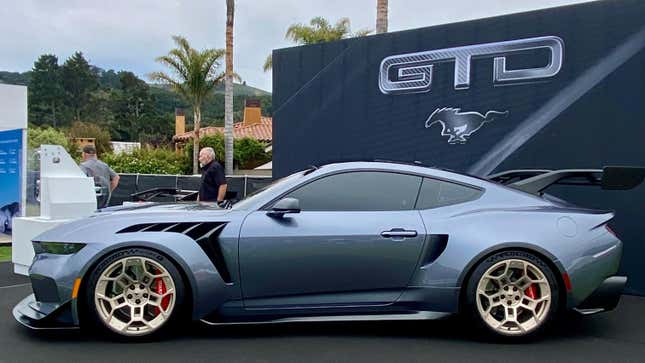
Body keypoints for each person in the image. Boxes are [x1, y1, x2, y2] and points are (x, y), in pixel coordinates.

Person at [79, 144, 120, 209]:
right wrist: (109, 191)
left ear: (84, 154)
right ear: (95, 154)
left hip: (90, 200)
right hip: (104, 199)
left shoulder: (83, 166)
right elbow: (116, 177)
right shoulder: (104, 165)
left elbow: (80, 181)